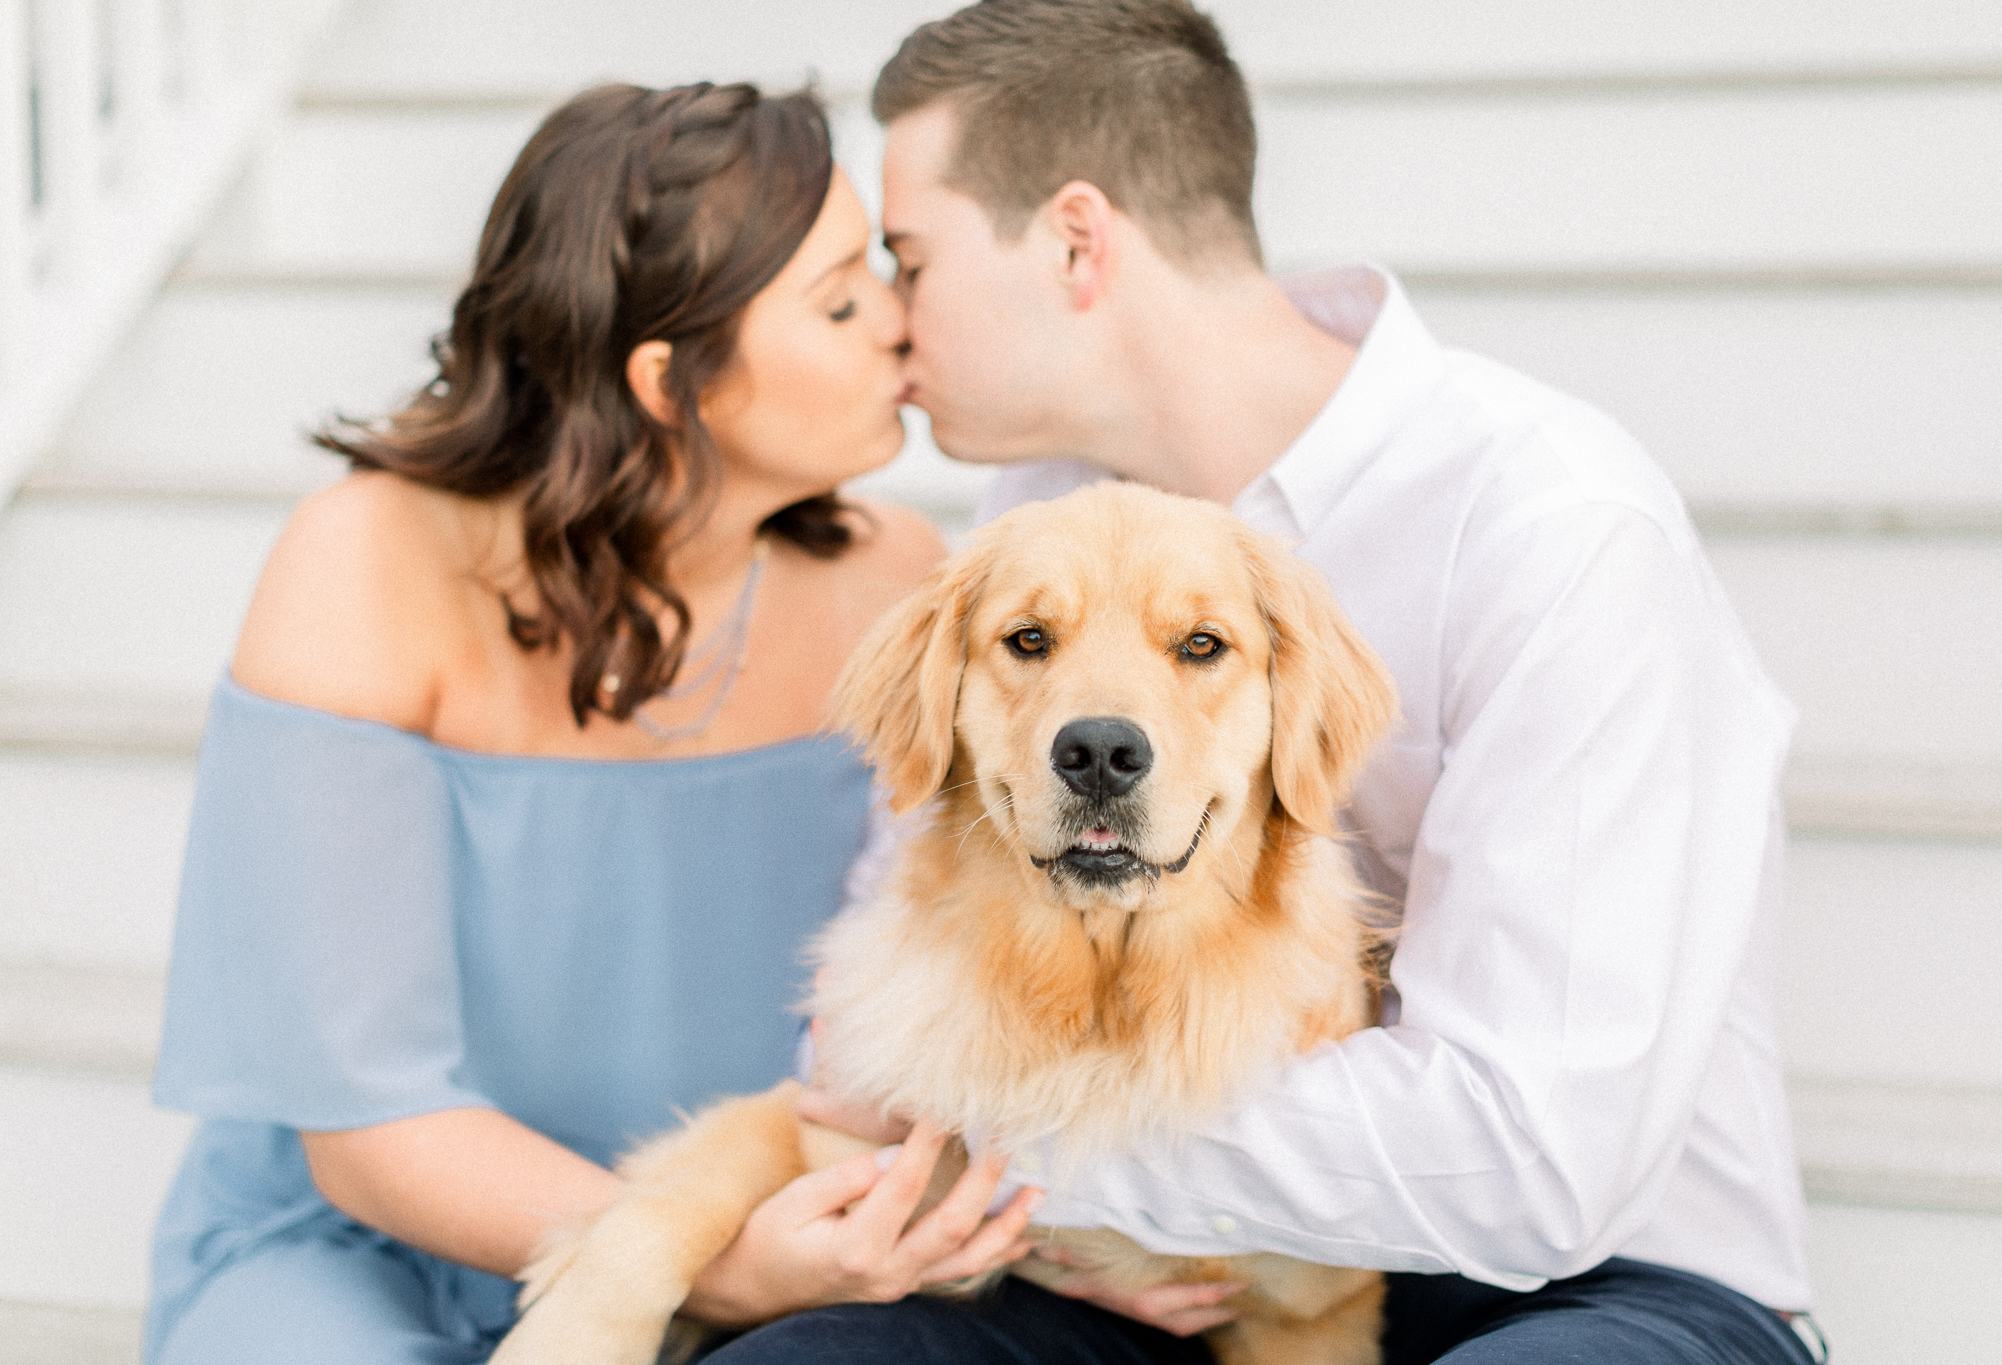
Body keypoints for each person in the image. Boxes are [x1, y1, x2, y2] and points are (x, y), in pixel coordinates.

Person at [720, 2, 1826, 1362]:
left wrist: (1014, 1140)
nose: (890, 324)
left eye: (910, 259)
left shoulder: (1553, 525)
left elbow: (1537, 1164)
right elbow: (885, 982)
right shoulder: (1044, 519)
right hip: (1142, 1269)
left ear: (1078, 242)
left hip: (1595, 1284)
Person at [143, 82, 1054, 1365]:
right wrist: (707, 1265)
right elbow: (367, 1122)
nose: (901, 329)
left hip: (753, 1200)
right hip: (374, 1246)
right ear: (668, 381)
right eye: (843, 300)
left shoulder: (893, 576)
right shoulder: (363, 562)